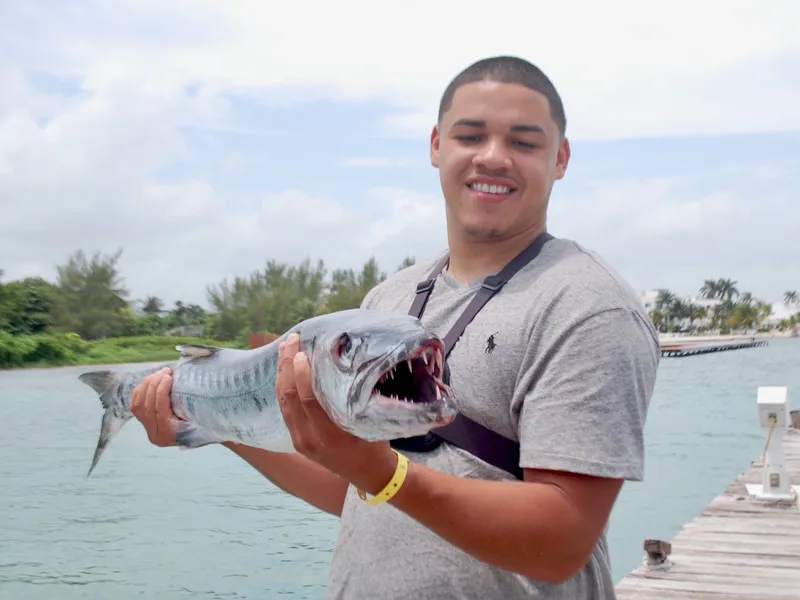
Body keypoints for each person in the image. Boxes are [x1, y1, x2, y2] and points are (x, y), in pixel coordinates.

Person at [130, 55, 661, 599]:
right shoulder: (388, 300)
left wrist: (386, 474)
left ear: (561, 158)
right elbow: (354, 487)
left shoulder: (586, 307)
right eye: (470, 135)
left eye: (524, 142)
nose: (494, 157)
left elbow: (563, 537)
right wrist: (217, 428)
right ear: (437, 146)